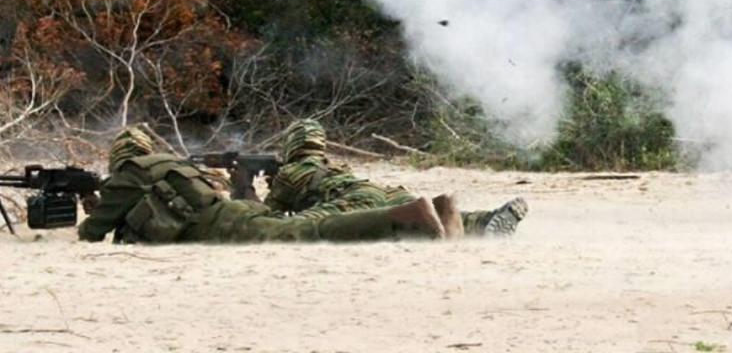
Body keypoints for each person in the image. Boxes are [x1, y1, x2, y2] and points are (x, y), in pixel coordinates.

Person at [77, 125, 450, 244]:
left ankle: (404, 218)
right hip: (229, 213)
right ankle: (439, 214)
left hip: (223, 224)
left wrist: (94, 205)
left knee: (304, 231)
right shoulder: (161, 167)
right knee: (299, 228)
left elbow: (91, 234)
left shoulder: (129, 177)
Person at [265, 118, 528, 238]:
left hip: (352, 201)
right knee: (432, 212)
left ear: (292, 144)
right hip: (382, 191)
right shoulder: (331, 166)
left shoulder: (291, 172)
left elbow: (266, 215)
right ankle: (485, 220)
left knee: (293, 229)